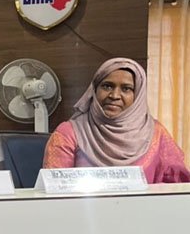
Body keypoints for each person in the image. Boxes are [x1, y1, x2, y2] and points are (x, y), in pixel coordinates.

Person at [43, 57, 190, 183]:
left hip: (146, 208)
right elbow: (54, 189)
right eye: (107, 86)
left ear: (138, 95)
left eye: (126, 89)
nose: (114, 95)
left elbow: (178, 186)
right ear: (94, 90)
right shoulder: (69, 133)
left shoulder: (156, 134)